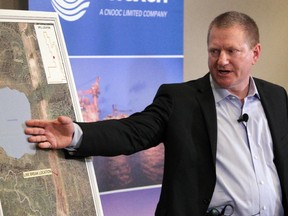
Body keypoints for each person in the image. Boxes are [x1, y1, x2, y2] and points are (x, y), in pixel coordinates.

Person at [25, 11, 288, 216]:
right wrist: (77, 135)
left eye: (232, 51)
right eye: (214, 51)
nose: (221, 60)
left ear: (255, 53)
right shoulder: (181, 100)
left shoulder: (276, 96)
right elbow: (132, 132)